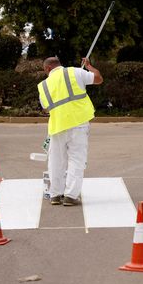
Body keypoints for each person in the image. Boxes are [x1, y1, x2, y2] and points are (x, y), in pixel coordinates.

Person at [38, 56, 103, 206]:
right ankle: (70, 196)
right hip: (79, 124)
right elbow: (98, 78)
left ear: (48, 69)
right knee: (76, 160)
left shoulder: (43, 85)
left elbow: (45, 107)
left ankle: (55, 195)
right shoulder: (75, 72)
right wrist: (89, 66)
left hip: (57, 127)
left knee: (56, 161)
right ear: (59, 64)